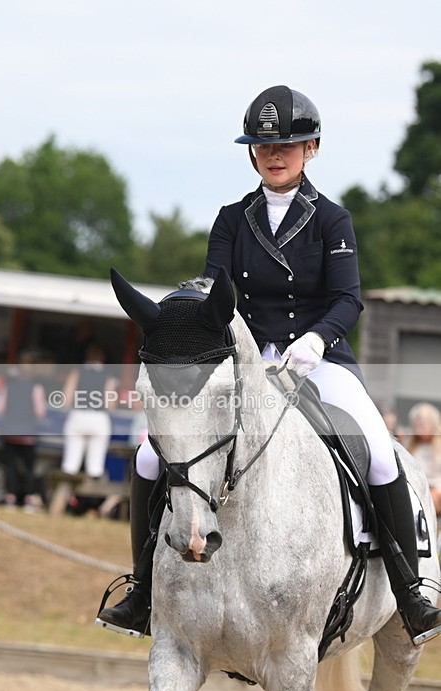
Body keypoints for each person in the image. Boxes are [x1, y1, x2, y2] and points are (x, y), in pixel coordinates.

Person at [98, 85, 441, 645]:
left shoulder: (333, 220)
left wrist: (315, 341)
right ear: (252, 152)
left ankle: (409, 590)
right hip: (247, 365)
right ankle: (142, 589)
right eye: (262, 146)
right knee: (146, 456)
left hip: (318, 362)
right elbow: (212, 290)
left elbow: (348, 299)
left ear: (312, 148)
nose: (274, 155)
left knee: (380, 453)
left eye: (288, 145)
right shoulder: (232, 220)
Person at [0, 352, 46, 511]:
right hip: (27, 433)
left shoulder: (9, 386)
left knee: (10, 466)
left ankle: (10, 497)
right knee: (29, 468)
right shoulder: (36, 388)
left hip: (9, 431)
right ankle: (28, 499)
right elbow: (40, 412)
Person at [60, 343, 118, 480]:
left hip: (78, 415)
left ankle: (64, 498)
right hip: (99, 418)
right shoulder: (108, 375)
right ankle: (91, 500)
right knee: (95, 466)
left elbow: (66, 398)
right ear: (103, 358)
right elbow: (111, 405)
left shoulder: (77, 372)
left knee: (70, 464)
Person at [406, 403, 441, 541]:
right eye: (416, 426)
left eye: (422, 426)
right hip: (416, 488)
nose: (418, 430)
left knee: (430, 497)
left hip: (435, 489)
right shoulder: (410, 445)